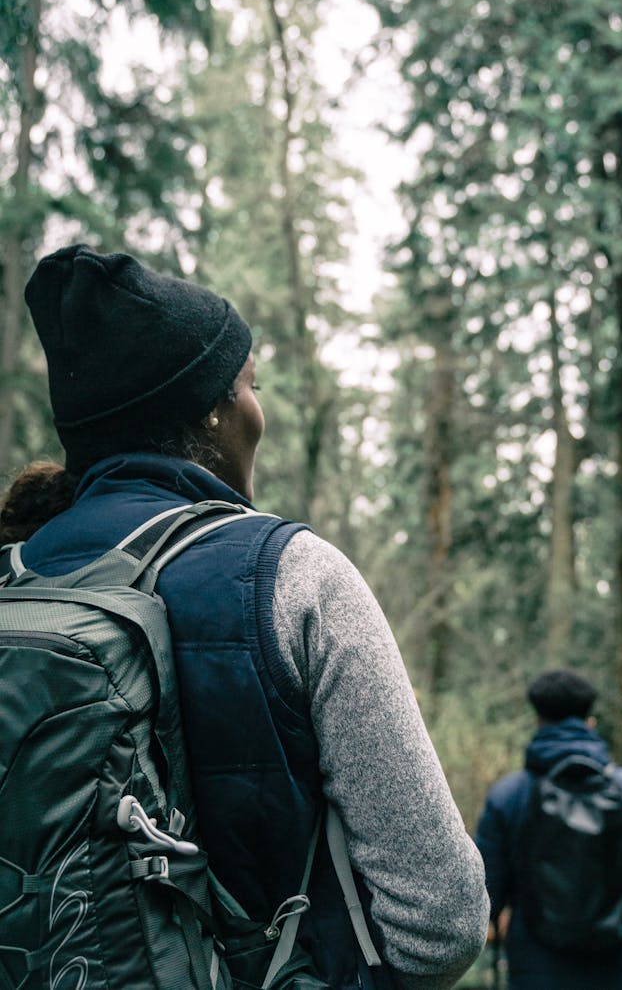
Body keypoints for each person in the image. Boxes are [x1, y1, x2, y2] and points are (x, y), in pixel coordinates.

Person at [0, 243, 488, 990]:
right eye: (250, 385)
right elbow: (443, 924)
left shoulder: (15, 575)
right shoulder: (293, 574)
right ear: (212, 410)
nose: (260, 408)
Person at [476, 669, 622, 990]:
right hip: (621, 961)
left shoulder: (509, 795)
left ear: (538, 721)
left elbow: (484, 892)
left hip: (536, 965)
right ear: (591, 722)